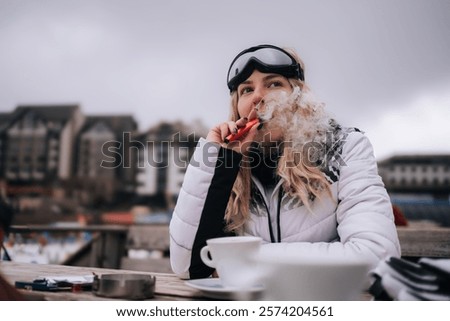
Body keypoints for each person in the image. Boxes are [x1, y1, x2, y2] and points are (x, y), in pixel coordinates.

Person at [169, 44, 401, 281]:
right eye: (247, 90)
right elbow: (188, 266)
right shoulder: (228, 165)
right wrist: (218, 161)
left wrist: (236, 261)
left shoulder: (344, 147)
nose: (258, 96)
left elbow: (376, 258)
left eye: (273, 84)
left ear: (299, 97)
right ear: (238, 108)